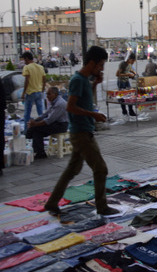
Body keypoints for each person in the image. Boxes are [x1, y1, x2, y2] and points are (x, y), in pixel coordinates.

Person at [44, 46, 118, 216]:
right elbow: (71, 107)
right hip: (81, 133)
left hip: (83, 131)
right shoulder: (77, 80)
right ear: (91, 63)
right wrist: (93, 114)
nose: (102, 68)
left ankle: (52, 202)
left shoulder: (84, 81)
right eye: (100, 65)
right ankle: (102, 205)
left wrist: (95, 85)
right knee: (100, 169)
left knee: (71, 170)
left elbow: (84, 100)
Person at [25, 87, 69, 159]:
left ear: (55, 94)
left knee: (35, 128)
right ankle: (40, 152)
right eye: (46, 94)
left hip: (61, 125)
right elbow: (45, 114)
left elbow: (49, 120)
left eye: (49, 94)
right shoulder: (53, 102)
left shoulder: (59, 104)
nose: (47, 96)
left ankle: (28, 135)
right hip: (55, 123)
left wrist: (35, 124)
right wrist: (35, 121)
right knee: (36, 132)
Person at [21, 51, 47, 134]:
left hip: (30, 92)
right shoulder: (40, 67)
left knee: (27, 114)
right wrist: (42, 90)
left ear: (27, 59)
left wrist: (23, 93)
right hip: (39, 92)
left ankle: (26, 131)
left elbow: (27, 80)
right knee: (40, 113)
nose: (24, 62)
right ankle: (42, 129)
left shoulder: (27, 67)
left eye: (24, 60)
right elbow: (44, 80)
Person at [116, 52, 137, 117]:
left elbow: (130, 69)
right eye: (133, 60)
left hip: (127, 81)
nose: (133, 62)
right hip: (121, 81)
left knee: (130, 96)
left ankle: (131, 111)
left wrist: (134, 72)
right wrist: (127, 74)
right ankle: (124, 111)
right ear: (129, 59)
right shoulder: (122, 64)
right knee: (122, 97)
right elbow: (117, 74)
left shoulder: (129, 64)